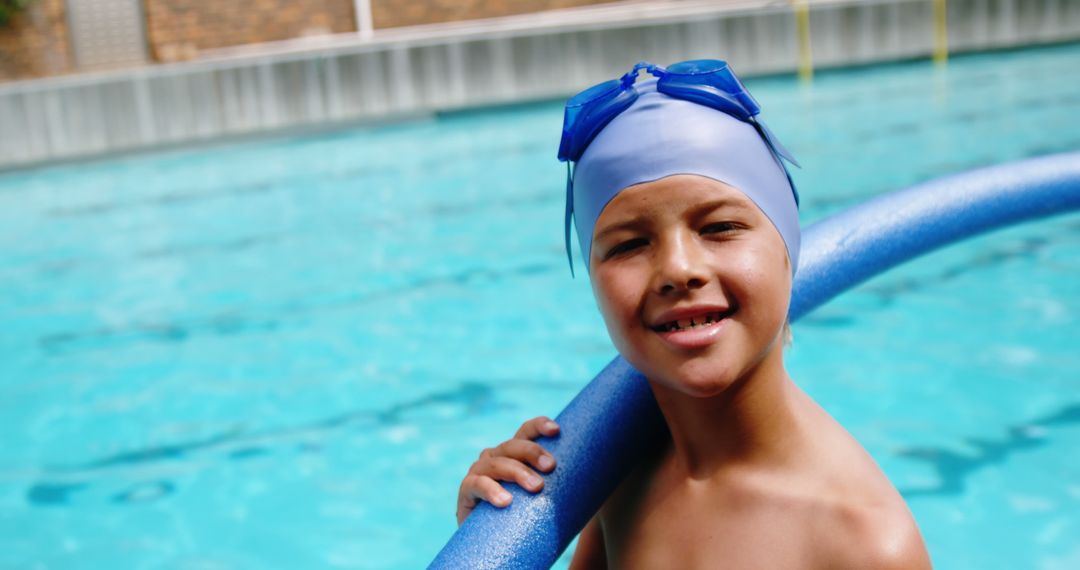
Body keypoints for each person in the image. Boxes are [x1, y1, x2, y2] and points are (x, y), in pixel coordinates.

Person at [456, 60, 932, 568]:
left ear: (787, 250)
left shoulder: (862, 543)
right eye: (629, 244)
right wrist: (489, 543)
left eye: (720, 227)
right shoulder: (614, 464)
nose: (678, 270)